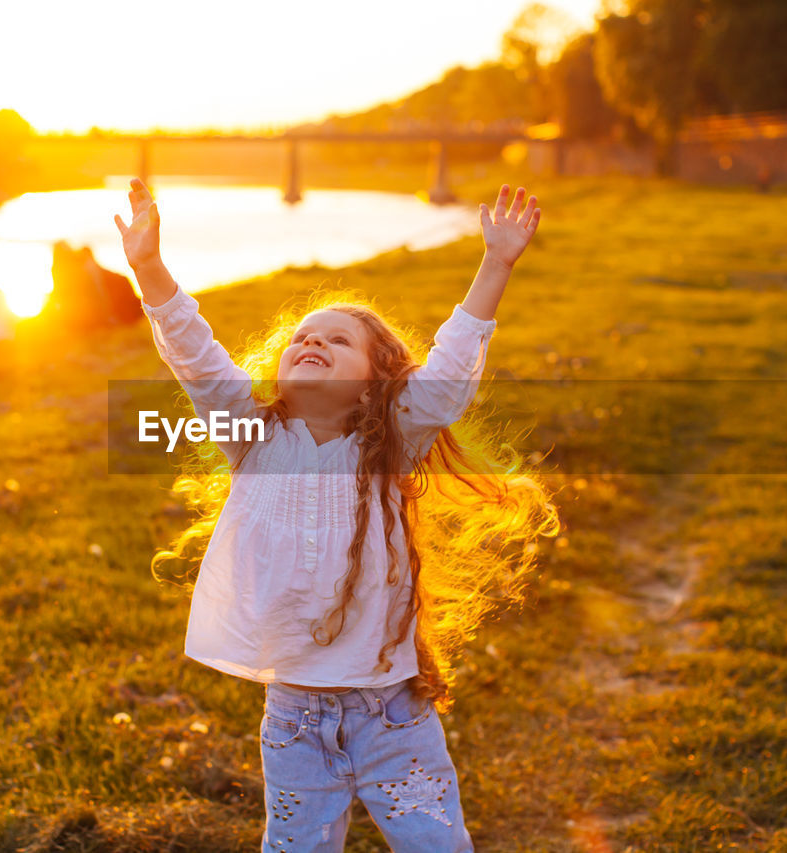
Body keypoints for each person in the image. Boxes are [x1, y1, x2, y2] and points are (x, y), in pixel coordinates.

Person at [115, 178, 559, 851]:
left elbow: (449, 374)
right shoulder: (252, 438)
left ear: (378, 384)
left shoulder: (389, 443)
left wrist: (495, 263)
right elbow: (196, 356)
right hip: (295, 718)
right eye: (303, 337)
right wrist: (149, 269)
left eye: (338, 341)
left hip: (394, 714)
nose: (312, 342)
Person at [48, 242, 142, 331]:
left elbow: (99, 291)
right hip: (95, 313)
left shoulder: (70, 270)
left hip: (106, 310)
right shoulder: (74, 271)